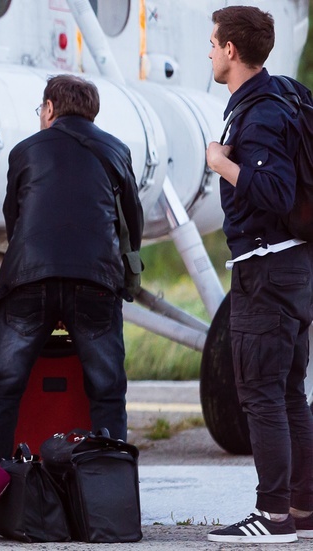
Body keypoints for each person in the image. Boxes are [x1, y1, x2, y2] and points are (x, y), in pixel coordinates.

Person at [0, 74, 143, 464]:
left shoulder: (25, 150)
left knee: (2, 387)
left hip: (29, 279)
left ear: (49, 109)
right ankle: (107, 490)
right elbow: (132, 222)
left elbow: (14, 220)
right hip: (96, 281)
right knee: (107, 390)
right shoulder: (116, 150)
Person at [205, 6, 313, 544]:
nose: (209, 51)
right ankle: (301, 508)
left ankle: (272, 517)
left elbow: (275, 191)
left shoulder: (262, 112)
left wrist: (219, 161)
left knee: (262, 395)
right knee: (289, 391)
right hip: (291, 268)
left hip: (267, 269)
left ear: (230, 50)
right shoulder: (280, 97)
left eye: (213, 43)